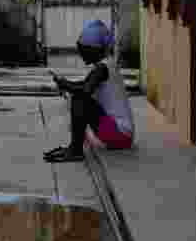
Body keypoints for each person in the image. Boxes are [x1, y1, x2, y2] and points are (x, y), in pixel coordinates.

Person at [44, 20, 135, 163]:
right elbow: (85, 84)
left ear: (95, 50)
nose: (81, 54)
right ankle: (74, 147)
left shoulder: (102, 68)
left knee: (79, 100)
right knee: (79, 97)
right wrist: (64, 83)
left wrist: (65, 84)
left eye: (84, 50)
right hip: (120, 135)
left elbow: (85, 90)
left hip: (119, 135)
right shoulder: (106, 65)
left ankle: (75, 150)